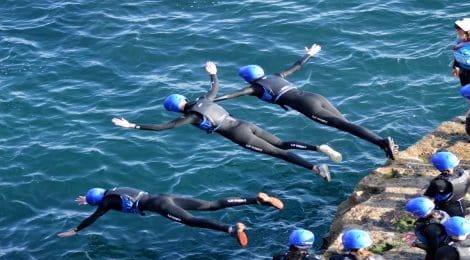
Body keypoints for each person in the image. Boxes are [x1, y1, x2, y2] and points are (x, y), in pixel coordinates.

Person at [111, 61, 336, 182]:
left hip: (239, 135)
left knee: (278, 153)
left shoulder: (191, 117)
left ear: (174, 109)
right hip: (245, 124)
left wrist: (133, 126)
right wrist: (213, 73)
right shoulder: (204, 100)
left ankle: (315, 168)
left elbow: (163, 127)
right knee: (281, 143)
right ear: (183, 99)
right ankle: (318, 148)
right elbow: (215, 89)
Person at [213, 44, 398, 161]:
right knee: (346, 124)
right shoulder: (276, 76)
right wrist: (309, 54)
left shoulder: (256, 88)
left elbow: (233, 95)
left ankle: (382, 142)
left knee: (345, 126)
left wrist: (210, 100)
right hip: (314, 97)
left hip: (308, 106)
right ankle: (381, 144)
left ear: (247, 79)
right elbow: (297, 66)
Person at [57, 187, 284, 247]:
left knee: (191, 222)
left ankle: (231, 230)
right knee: (211, 204)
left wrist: (75, 230)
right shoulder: (114, 191)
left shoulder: (106, 203)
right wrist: (89, 199)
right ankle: (256, 200)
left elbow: (95, 217)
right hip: (165, 197)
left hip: (159, 206)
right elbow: (101, 200)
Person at [423, 151, 470, 217]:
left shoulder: (437, 183)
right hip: (460, 202)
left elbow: (429, 197)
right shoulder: (463, 173)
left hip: (446, 208)